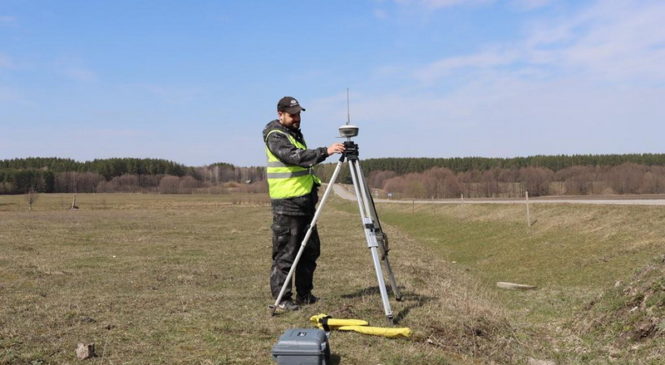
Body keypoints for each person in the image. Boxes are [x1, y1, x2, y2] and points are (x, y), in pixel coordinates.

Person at [263, 96, 345, 311]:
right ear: (280, 114)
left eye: (299, 114)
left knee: (310, 251)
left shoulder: (294, 134)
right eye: (292, 115)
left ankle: (305, 294)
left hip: (305, 202)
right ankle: (282, 299)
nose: (297, 118)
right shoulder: (275, 136)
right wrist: (324, 152)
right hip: (287, 204)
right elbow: (294, 157)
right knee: (286, 253)